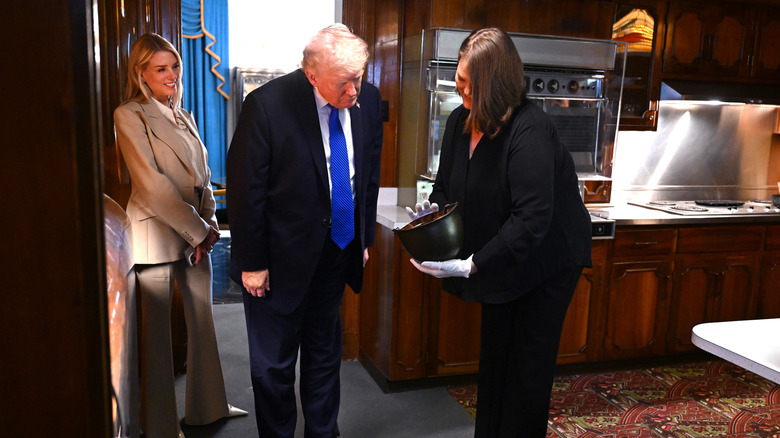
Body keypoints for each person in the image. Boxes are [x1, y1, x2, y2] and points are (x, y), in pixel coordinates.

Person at [408, 27, 592, 437]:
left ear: (496, 85)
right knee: (495, 359)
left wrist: (472, 265)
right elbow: (445, 187)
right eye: (458, 82)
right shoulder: (459, 120)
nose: (463, 95)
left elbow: (531, 221)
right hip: (503, 252)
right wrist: (433, 212)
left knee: (526, 367)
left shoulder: (531, 130)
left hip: (548, 260)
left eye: (471, 87)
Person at [226, 24, 383, 438]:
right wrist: (253, 263)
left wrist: (362, 237)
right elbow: (245, 191)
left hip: (336, 251)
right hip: (277, 263)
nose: (353, 92)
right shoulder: (267, 105)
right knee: (274, 368)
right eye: (342, 83)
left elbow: (366, 175)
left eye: (359, 78)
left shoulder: (367, 97)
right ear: (312, 75)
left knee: (324, 356)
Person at [113, 33, 246, 438]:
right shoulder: (129, 114)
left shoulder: (182, 113)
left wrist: (208, 225)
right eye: (160, 69)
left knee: (203, 325)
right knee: (156, 342)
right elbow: (152, 185)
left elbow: (200, 177)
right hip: (155, 236)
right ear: (140, 74)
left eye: (174, 66)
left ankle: (209, 407)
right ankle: (158, 426)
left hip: (197, 235)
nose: (171, 75)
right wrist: (200, 231)